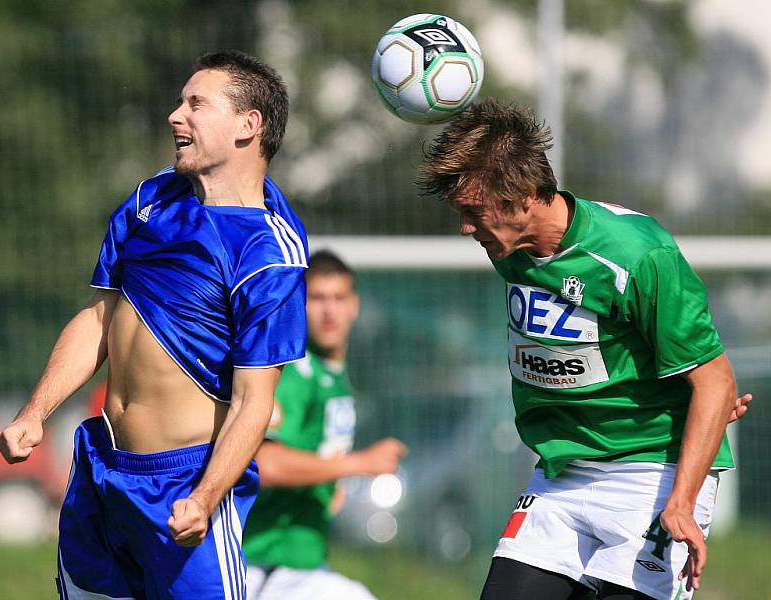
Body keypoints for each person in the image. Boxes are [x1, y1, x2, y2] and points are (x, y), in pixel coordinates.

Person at [0, 50, 307, 599]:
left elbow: (254, 402)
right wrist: (33, 414)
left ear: (247, 125)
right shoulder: (150, 199)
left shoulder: (269, 252)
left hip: (183, 486)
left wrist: (206, 498)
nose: (175, 116)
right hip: (102, 470)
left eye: (196, 104)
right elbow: (99, 318)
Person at [418, 99, 752, 600]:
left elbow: (715, 379)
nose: (465, 226)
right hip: (563, 476)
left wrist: (681, 502)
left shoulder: (638, 255)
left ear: (523, 197)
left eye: (473, 211)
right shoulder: (508, 247)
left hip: (654, 479)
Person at [243, 250, 408, 600]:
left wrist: (331, 482)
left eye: (338, 298)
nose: (329, 310)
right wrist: (358, 464)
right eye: (316, 298)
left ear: (355, 304)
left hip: (302, 564)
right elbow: (263, 462)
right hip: (266, 564)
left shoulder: (335, 378)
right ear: (299, 305)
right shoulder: (295, 372)